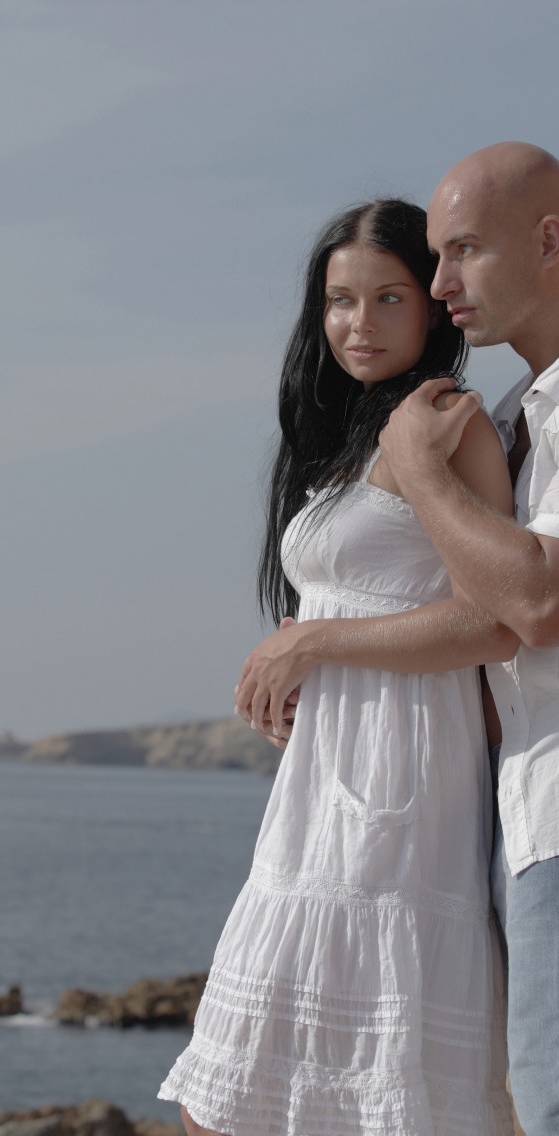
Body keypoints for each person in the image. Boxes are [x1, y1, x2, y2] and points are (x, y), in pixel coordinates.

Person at [159, 199, 516, 1135]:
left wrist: (313, 645)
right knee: (235, 1102)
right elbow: (356, 600)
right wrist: (300, 662)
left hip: (402, 778)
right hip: (323, 778)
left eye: (389, 297)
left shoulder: (448, 424)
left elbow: (493, 621)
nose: (360, 324)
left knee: (315, 1097)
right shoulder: (347, 435)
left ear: (432, 304)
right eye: (340, 300)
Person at [377, 141, 559, 1136]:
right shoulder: (520, 415)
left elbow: (535, 600)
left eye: (464, 250)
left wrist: (421, 474)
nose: (440, 283)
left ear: (549, 243)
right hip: (517, 818)